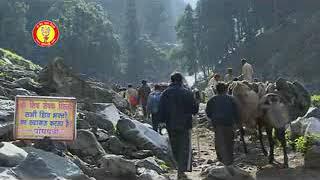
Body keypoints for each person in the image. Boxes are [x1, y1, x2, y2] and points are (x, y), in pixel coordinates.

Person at [159, 72, 199, 179]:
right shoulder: (187, 93)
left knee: (174, 147)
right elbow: (195, 110)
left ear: (171, 81)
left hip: (170, 124)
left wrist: (162, 123)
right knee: (184, 147)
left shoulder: (165, 93)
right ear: (181, 80)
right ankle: (181, 170)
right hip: (185, 124)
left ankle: (178, 168)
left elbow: (161, 110)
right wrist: (197, 100)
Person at [205, 82, 240, 165]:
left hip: (217, 124)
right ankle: (230, 161)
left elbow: (208, 112)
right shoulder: (231, 99)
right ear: (226, 89)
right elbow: (236, 112)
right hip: (229, 124)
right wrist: (236, 122)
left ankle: (220, 160)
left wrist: (213, 119)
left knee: (219, 142)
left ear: (216, 90)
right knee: (229, 142)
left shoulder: (211, 100)